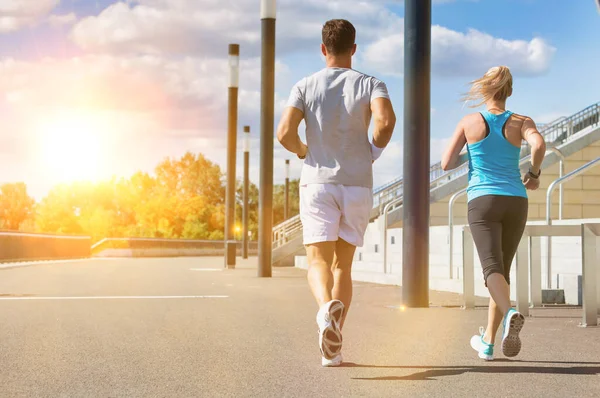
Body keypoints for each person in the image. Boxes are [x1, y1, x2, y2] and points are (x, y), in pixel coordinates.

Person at [276, 19, 396, 367]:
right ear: (354, 49)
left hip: (318, 182)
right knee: (343, 265)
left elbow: (284, 132)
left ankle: (324, 310)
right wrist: (372, 150)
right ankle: (335, 346)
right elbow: (385, 123)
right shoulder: (372, 83)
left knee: (317, 260)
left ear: (323, 48)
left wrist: (303, 151)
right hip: (357, 182)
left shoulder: (304, 85)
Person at [442, 66, 547, 361]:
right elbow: (538, 144)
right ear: (509, 91)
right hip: (516, 199)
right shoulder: (521, 121)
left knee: (491, 270)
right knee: (501, 271)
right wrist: (534, 173)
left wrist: (474, 151)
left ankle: (511, 311)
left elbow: (446, 163)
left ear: (485, 90)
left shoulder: (470, 121)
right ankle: (487, 342)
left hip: (483, 200)